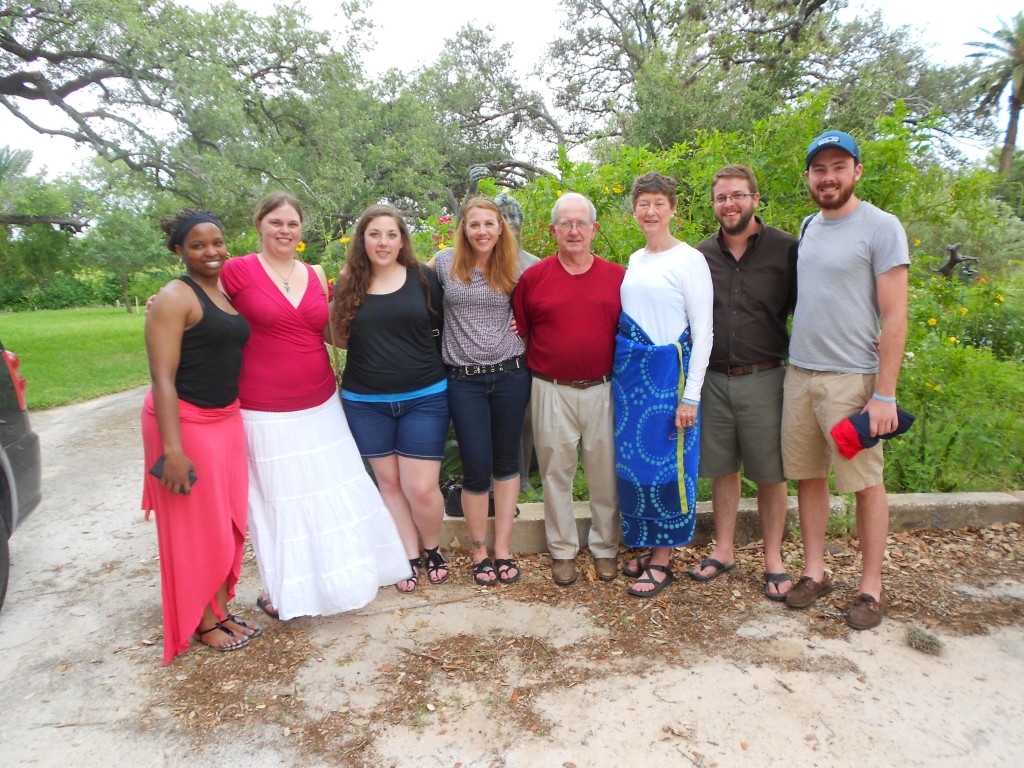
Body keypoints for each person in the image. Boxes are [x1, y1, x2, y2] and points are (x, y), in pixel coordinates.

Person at [220, 192, 410, 620]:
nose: (285, 230)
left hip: (322, 404)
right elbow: (205, 309)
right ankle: (287, 592)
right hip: (264, 409)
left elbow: (337, 333)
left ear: (301, 229)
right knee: (282, 503)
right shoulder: (237, 272)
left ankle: (344, 581)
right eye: (276, 223)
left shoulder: (315, 273)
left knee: (336, 491)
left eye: (292, 223)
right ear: (260, 226)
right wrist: (168, 305)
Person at [783, 131, 909, 630]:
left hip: (852, 380)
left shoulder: (881, 227)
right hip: (801, 374)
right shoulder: (809, 225)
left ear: (856, 170)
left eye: (838, 166)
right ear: (809, 177)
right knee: (809, 477)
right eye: (819, 169)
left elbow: (895, 316)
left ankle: (870, 587)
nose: (828, 177)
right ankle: (816, 572)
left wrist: (884, 393)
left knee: (865, 483)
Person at [142, 208, 258, 662]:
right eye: (198, 245)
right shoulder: (175, 297)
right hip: (186, 424)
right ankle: (202, 621)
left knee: (226, 522)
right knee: (195, 527)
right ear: (179, 251)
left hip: (226, 419)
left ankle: (220, 611)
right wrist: (173, 450)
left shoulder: (224, 288)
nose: (211, 251)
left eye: (217, 242)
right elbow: (162, 379)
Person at [332, 204, 450, 593]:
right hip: (366, 401)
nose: (383, 242)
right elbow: (333, 334)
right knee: (390, 485)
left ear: (402, 240)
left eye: (391, 234)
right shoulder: (349, 282)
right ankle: (408, 556)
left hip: (424, 397)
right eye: (374, 234)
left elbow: (441, 326)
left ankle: (433, 548)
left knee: (420, 487)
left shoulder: (424, 278)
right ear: (361, 240)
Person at [693, 165, 798, 600]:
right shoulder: (699, 255)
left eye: (738, 195)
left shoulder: (786, 249)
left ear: (756, 198)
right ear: (714, 204)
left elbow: (802, 310)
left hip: (765, 376)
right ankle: (724, 549)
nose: (729, 204)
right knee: (722, 469)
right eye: (721, 197)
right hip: (714, 378)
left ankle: (773, 557)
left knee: (771, 472)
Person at [511, 193, 625, 587]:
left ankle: (605, 547)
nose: (573, 231)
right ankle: (562, 551)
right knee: (555, 472)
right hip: (551, 388)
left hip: (602, 389)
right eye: (566, 224)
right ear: (553, 230)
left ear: (594, 229)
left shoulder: (617, 276)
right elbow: (521, 331)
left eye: (581, 224)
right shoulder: (534, 278)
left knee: (603, 473)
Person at [614, 172, 714, 597]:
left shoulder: (689, 260)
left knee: (668, 469)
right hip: (633, 380)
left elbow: (703, 331)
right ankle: (646, 542)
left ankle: (663, 558)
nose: (650, 211)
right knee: (636, 466)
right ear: (633, 210)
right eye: (643, 203)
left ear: (673, 208)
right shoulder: (636, 260)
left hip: (671, 381)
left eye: (659, 203)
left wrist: (691, 395)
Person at [429, 197, 531, 586]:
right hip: (464, 379)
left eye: (490, 224)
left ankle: (503, 548)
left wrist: (525, 325)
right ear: (463, 229)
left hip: (510, 375)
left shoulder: (515, 266)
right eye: (475, 225)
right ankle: (479, 551)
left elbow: (538, 306)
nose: (483, 231)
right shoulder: (442, 263)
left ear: (500, 227)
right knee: (475, 467)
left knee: (507, 465)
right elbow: (406, 288)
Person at [494, 190, 541, 494]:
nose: (511, 222)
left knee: (526, 420)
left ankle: (524, 478)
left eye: (514, 216)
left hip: (525, 353)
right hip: (488, 353)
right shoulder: (485, 261)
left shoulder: (533, 263)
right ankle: (494, 478)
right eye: (504, 216)